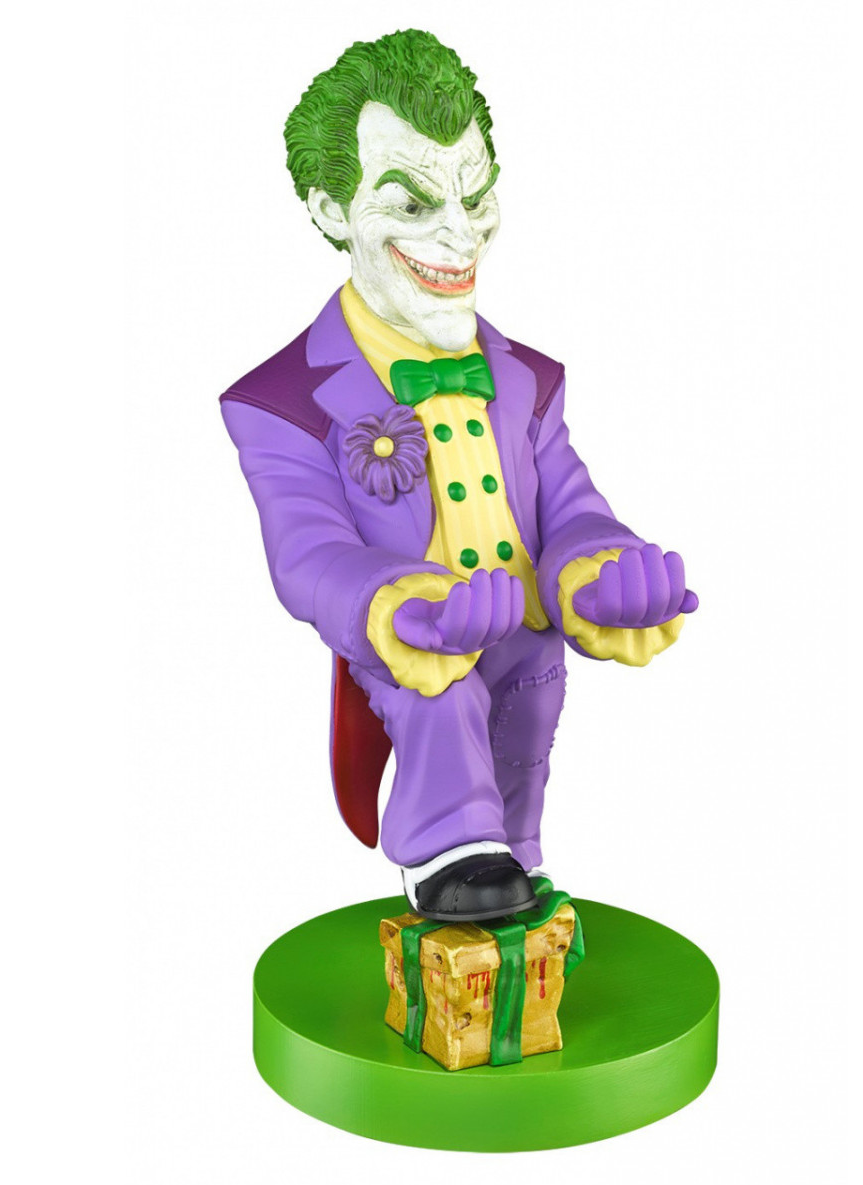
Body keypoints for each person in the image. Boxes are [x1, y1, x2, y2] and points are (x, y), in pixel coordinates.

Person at [221, 30, 697, 922]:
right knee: (438, 693)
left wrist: (601, 570)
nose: (458, 233)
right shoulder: (279, 400)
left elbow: (569, 504)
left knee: (531, 709)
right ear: (331, 209)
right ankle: (448, 848)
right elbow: (307, 554)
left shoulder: (528, 380)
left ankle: (514, 861)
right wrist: (400, 603)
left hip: (523, 631)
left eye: (474, 198)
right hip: (415, 641)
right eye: (412, 203)